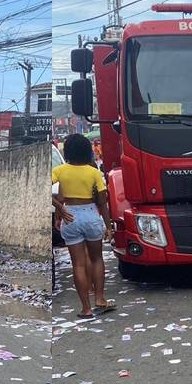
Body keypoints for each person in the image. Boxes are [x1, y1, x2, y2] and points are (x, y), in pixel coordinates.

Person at [52, 134, 114, 319]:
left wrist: (59, 208)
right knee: (96, 259)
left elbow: (51, 193)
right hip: (90, 214)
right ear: (88, 151)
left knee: (78, 264)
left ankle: (85, 309)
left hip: (70, 216)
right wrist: (109, 227)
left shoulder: (59, 171)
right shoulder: (94, 172)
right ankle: (100, 299)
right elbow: (102, 203)